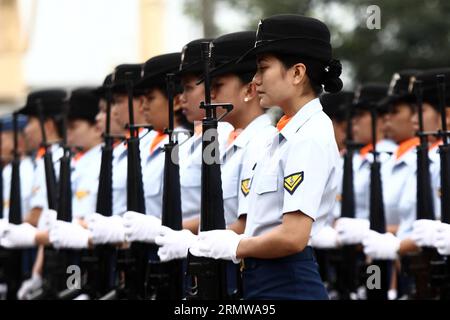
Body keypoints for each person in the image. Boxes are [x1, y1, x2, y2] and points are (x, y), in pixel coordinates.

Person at [190, 14, 343, 300]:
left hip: (288, 284)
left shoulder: (309, 136)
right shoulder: (285, 133)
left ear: (297, 73)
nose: (256, 80)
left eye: (262, 69)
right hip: (262, 280)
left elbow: (293, 237)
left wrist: (235, 246)